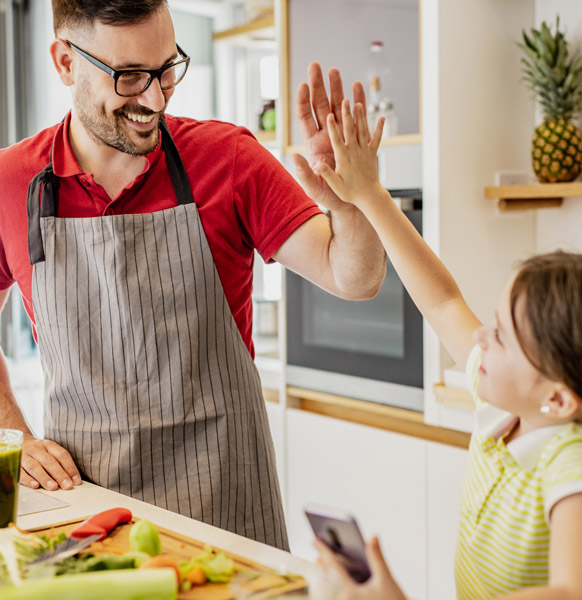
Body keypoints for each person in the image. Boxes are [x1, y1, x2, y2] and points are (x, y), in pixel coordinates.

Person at [0, 0, 386, 550]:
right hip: (87, 512)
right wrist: (13, 433)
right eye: (130, 77)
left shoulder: (228, 159)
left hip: (225, 509)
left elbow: (355, 278)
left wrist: (353, 202)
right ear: (65, 63)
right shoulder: (11, 182)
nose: (154, 99)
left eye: (166, 69)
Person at [304, 97, 582, 597]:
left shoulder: (573, 459)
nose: (482, 335)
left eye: (502, 336)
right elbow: (442, 301)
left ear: (557, 398)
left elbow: (576, 592)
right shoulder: (503, 410)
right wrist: (372, 194)